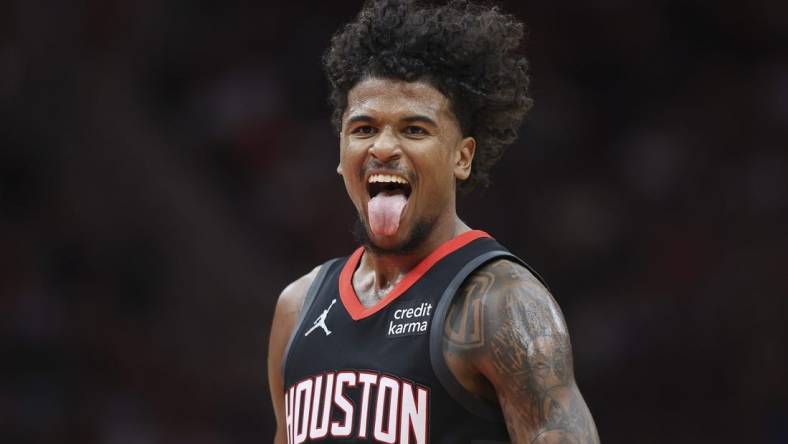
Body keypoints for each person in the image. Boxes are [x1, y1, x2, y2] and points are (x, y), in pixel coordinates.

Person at [268, 0, 599, 442]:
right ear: (341, 151)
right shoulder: (298, 306)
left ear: (461, 157)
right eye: (364, 129)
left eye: (414, 130)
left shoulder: (501, 303)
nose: (383, 147)